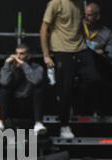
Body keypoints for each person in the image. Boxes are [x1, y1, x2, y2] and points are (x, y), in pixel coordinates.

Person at [40, 0, 100, 138]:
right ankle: (64, 126)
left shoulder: (81, 3)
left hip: (80, 48)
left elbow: (78, 25)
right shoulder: (56, 3)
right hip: (62, 49)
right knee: (65, 91)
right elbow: (44, 29)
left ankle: (79, 98)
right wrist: (46, 55)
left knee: (94, 78)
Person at [0, 43, 47, 135]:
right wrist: (7, 64)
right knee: (3, 90)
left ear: (28, 55)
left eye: (22, 54)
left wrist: (24, 65)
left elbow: (35, 80)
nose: (18, 57)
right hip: (13, 104)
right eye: (17, 54)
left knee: (39, 89)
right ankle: (0, 122)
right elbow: (3, 82)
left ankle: (38, 123)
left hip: (29, 104)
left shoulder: (37, 67)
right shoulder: (10, 67)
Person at [83, 3, 112, 79]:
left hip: (97, 67)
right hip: (81, 65)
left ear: (97, 16)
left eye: (89, 15)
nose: (85, 17)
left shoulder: (106, 33)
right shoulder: (78, 30)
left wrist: (102, 55)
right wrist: (94, 51)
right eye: (85, 14)